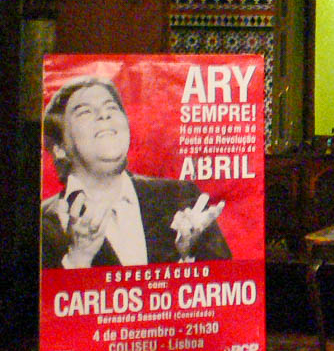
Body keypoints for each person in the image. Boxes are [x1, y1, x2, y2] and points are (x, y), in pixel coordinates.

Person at [40, 76, 232, 269]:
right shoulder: (44, 223)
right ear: (59, 147)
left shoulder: (181, 197)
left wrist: (187, 253)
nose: (104, 115)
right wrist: (78, 258)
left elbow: (229, 286)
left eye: (112, 107)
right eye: (85, 112)